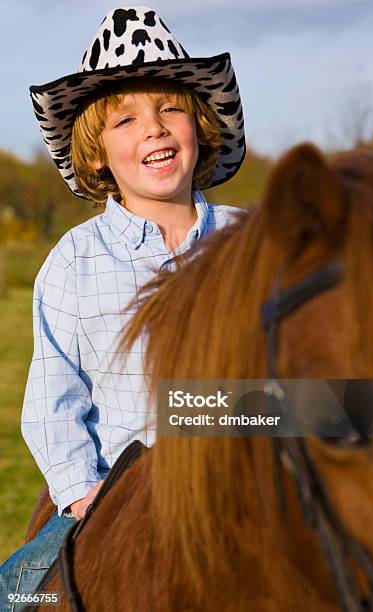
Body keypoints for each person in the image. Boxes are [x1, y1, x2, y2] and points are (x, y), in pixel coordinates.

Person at [0, 5, 245, 610]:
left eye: (170, 108)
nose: (154, 129)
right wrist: (85, 494)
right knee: (20, 592)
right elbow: (53, 401)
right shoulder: (74, 261)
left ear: (199, 125)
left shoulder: (251, 243)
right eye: (126, 119)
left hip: (247, 496)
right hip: (122, 505)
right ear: (97, 156)